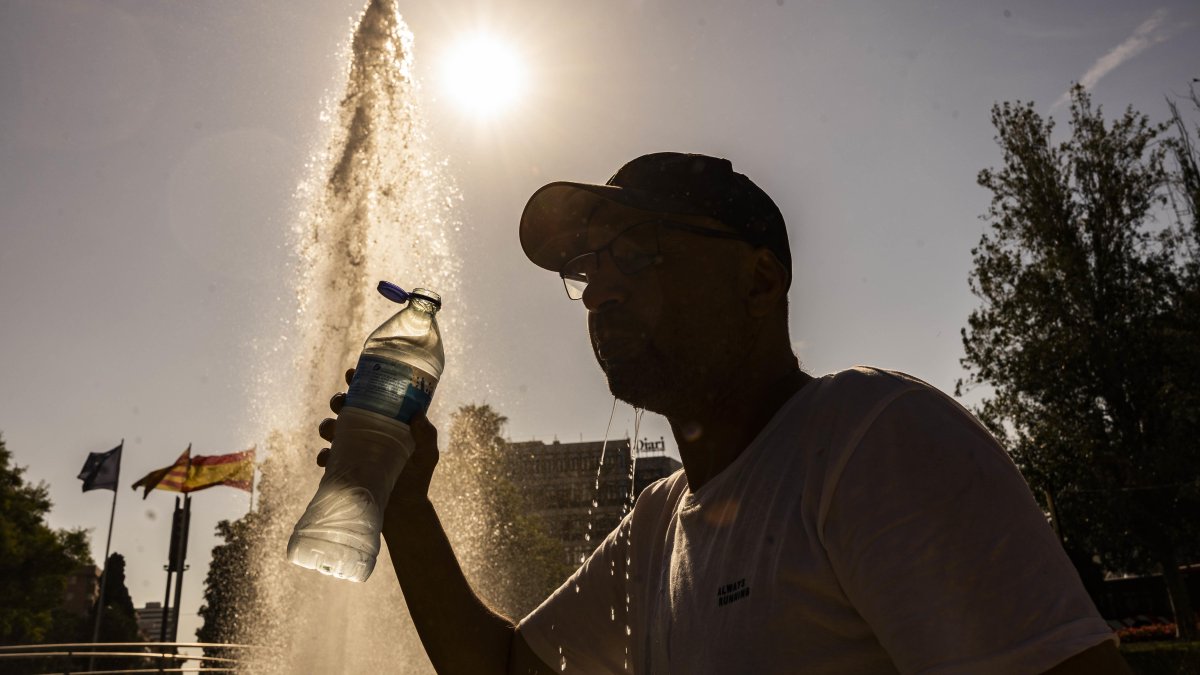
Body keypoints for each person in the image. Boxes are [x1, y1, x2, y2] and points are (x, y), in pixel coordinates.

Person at [319, 152, 1131, 674]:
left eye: (637, 247)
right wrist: (405, 503)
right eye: (586, 265)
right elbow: (501, 670)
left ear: (759, 277)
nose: (599, 287)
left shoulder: (873, 438)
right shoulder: (657, 526)